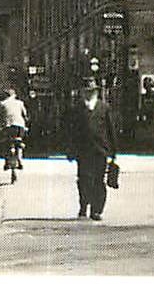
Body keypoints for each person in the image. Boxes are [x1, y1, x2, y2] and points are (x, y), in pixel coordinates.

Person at [63, 81, 118, 221]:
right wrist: (70, 150)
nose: (89, 93)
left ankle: (96, 210)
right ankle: (83, 206)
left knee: (98, 181)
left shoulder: (104, 108)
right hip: (83, 151)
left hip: (100, 150)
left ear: (96, 92)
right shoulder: (77, 109)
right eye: (86, 91)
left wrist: (113, 152)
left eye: (91, 91)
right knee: (83, 180)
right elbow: (71, 131)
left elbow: (110, 130)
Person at [0, 87, 29, 171]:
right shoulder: (20, 103)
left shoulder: (2, 104)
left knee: (5, 142)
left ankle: (6, 161)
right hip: (19, 126)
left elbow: (0, 117)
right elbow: (25, 115)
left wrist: (0, 126)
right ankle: (20, 160)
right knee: (19, 142)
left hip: (8, 127)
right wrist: (26, 124)